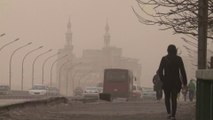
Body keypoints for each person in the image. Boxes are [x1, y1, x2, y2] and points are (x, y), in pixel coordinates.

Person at [158, 44, 187, 120]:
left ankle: (168, 113)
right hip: (176, 82)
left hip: (167, 82)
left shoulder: (164, 59)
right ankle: (173, 115)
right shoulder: (179, 59)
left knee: (167, 98)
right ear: (175, 51)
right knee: (174, 98)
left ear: (168, 51)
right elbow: (182, 71)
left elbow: (160, 71)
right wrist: (185, 83)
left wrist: (163, 79)